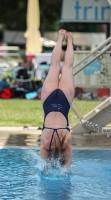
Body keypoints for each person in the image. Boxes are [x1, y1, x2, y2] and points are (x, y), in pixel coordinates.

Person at [40, 29, 75, 168]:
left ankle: (69, 39)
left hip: (64, 100)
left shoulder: (66, 143)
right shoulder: (45, 144)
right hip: (49, 100)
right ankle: (61, 38)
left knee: (67, 67)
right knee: (55, 66)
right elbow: (44, 169)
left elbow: (66, 168)